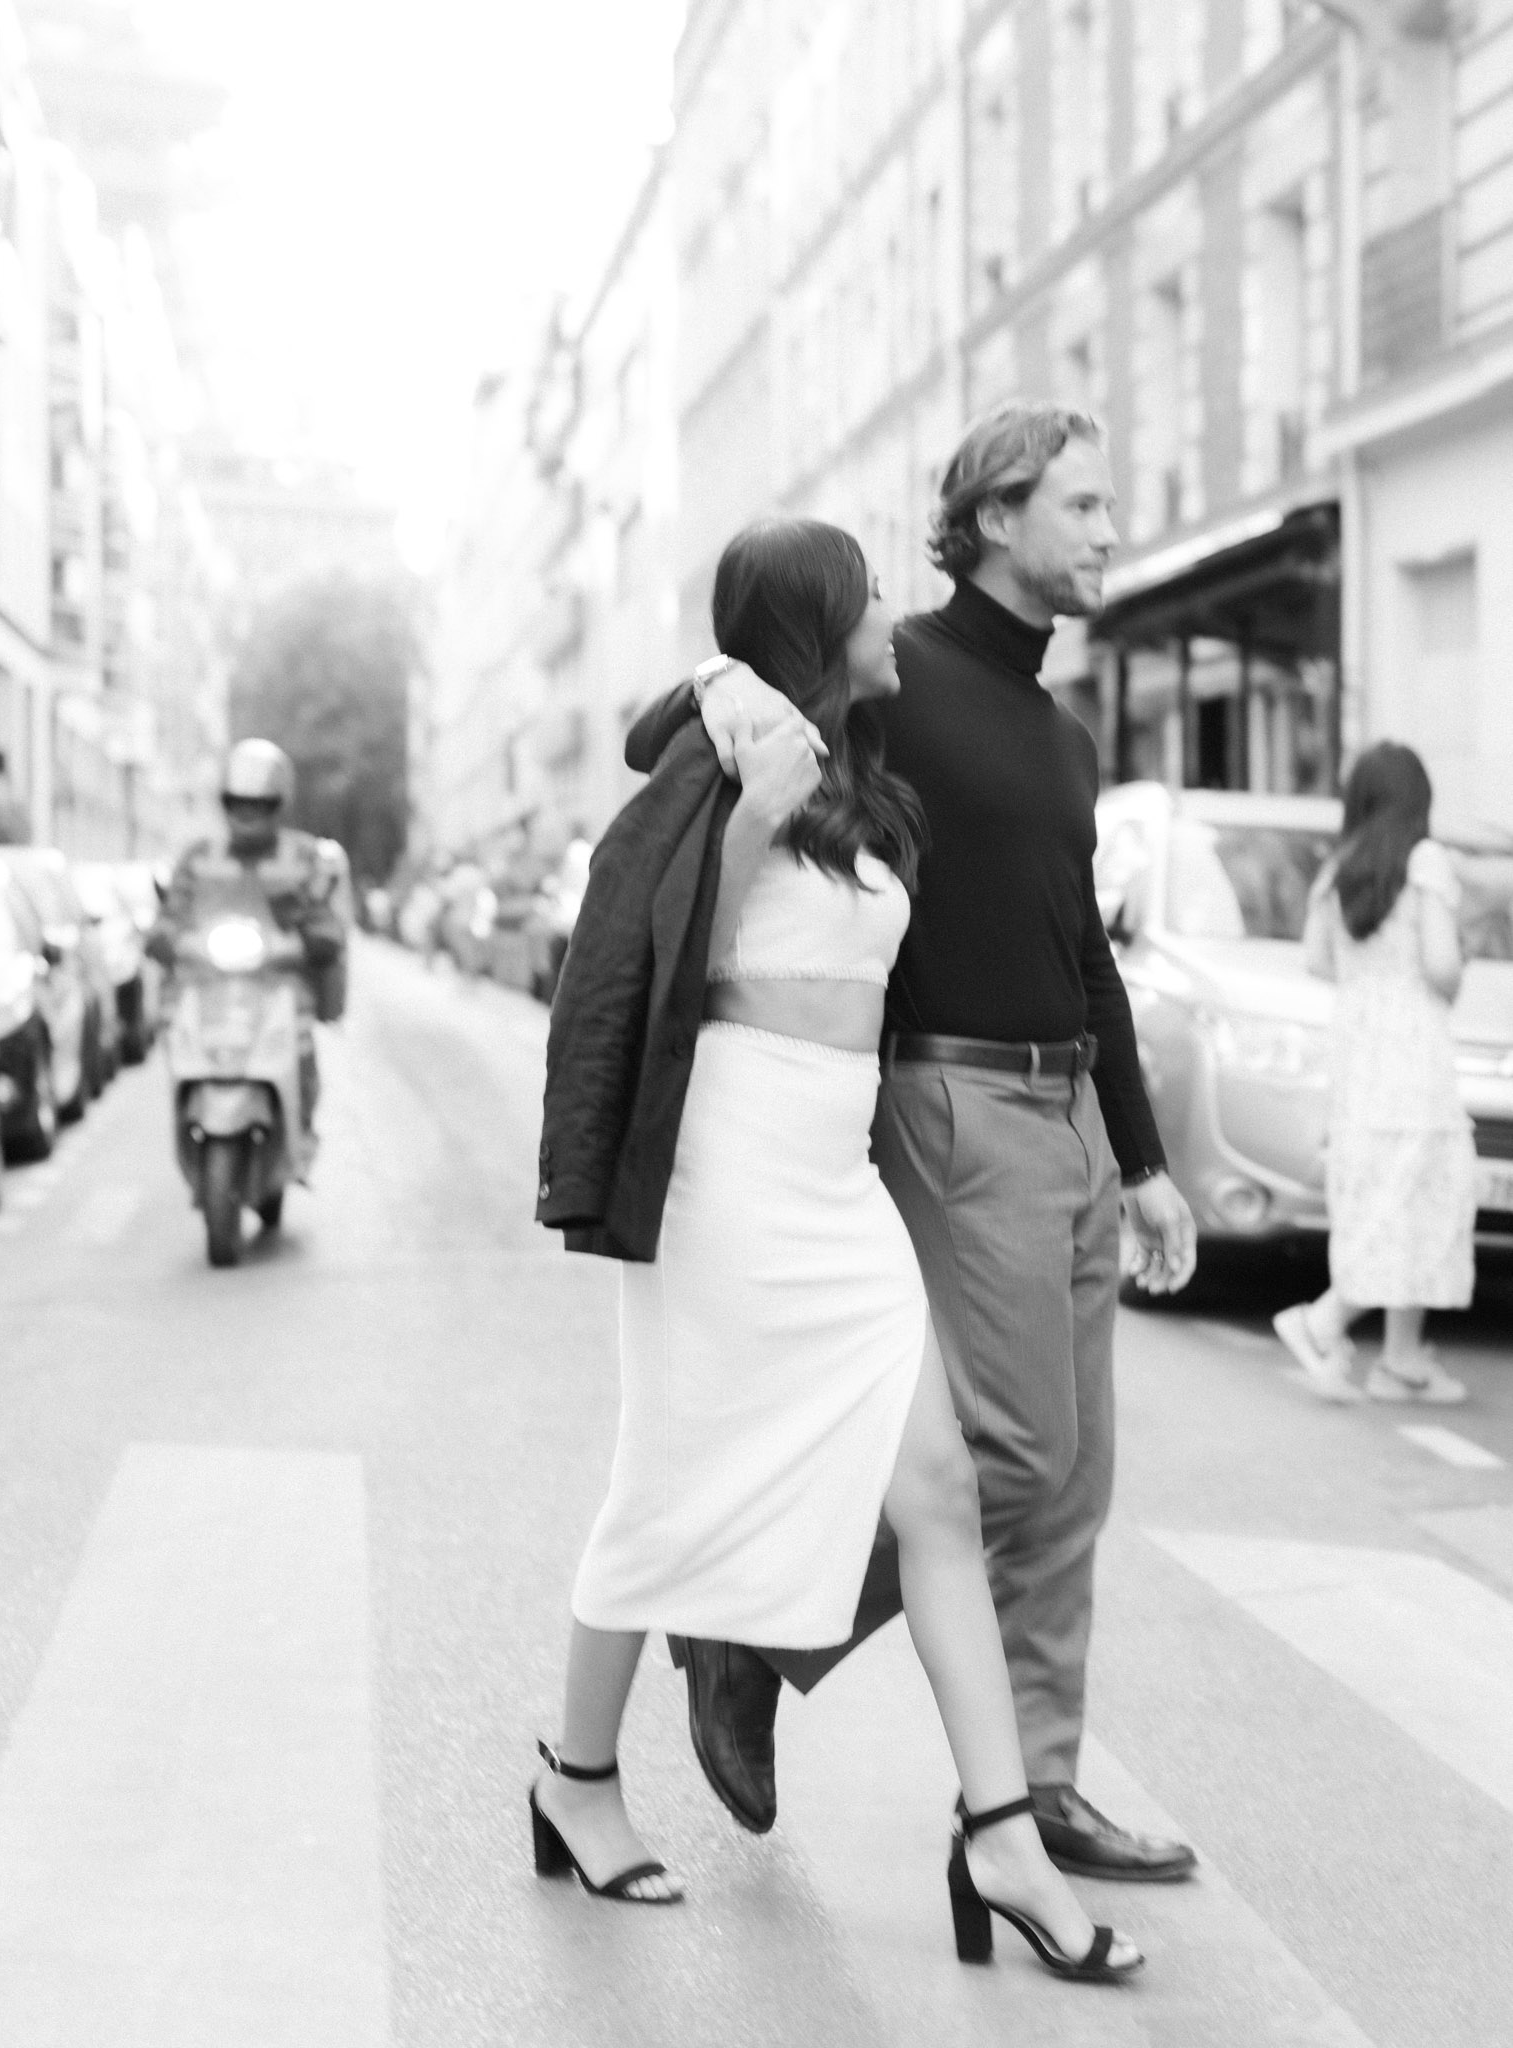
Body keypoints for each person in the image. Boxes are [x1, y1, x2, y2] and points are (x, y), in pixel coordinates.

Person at [531, 519, 1143, 1983]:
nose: (894, 617)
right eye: (868, 599)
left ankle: (1000, 1838)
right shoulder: (728, 760)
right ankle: (577, 1774)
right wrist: (739, 767)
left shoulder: (878, 768)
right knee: (667, 1477)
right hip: (725, 1169)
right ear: (818, 624)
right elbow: (658, 936)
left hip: (834, 1174)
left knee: (937, 1486)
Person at [627, 400, 1199, 1883]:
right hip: (950, 1100)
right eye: (1081, 502)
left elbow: (1088, 954)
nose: (1108, 528)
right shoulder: (903, 679)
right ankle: (755, 1642)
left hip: (1065, 1105)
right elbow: (717, 710)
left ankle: (1039, 1795)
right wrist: (714, 676)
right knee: (1006, 1455)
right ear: (997, 517)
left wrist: (1139, 1161)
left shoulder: (1064, 737)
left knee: (1069, 1481)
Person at [1273, 743, 1472, 1405]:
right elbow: (1441, 966)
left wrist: (1370, 980)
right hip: (1413, 1051)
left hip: (1358, 1053)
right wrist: (1442, 967)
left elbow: (1314, 962)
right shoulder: (1423, 862)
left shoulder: (1337, 871)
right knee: (1416, 1195)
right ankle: (1319, 1320)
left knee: (1386, 1195)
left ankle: (1401, 1359)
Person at [148, 738, 348, 1131]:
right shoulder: (199, 855)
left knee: (301, 1042)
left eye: (259, 804)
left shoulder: (303, 855)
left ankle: (300, 1125)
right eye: (239, 803)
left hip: (281, 989)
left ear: (278, 804)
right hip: (208, 989)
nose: (248, 813)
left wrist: (313, 934)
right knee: (176, 1038)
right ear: (225, 803)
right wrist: (166, 937)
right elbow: (172, 913)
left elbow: (326, 920)